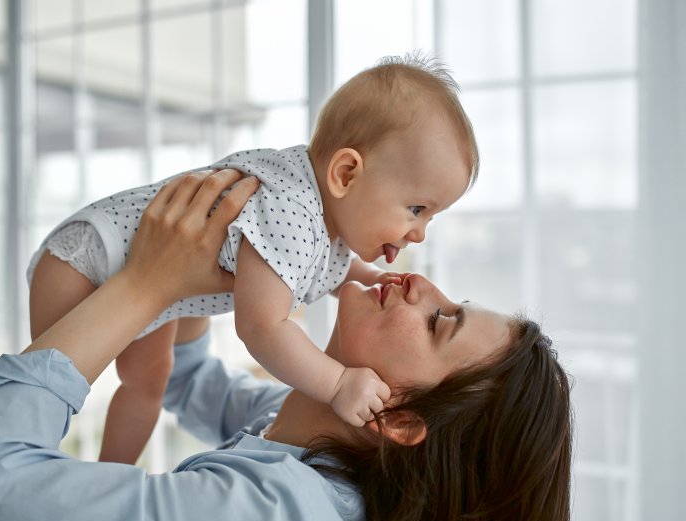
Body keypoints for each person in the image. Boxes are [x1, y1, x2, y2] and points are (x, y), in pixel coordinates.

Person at [0, 170, 572, 521]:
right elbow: (191, 381)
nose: (420, 283)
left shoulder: (269, 513)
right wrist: (221, 261)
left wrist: (149, 283)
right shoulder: (323, 441)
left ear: (400, 420)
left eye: (440, 322)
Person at [27, 52, 479, 464]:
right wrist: (337, 383)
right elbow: (263, 326)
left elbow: (334, 269)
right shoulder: (293, 211)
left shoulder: (330, 219)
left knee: (148, 383)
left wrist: (373, 279)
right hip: (88, 261)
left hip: (145, 283)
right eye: (417, 209)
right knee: (47, 393)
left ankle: (106, 479)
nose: (419, 233)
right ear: (346, 174)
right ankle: (28, 477)